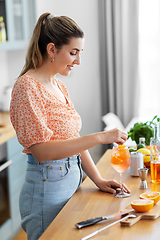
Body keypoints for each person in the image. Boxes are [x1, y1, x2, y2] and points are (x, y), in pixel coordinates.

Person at [10, 12, 130, 240]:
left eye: (79, 53)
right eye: (73, 53)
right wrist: (99, 137)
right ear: (52, 49)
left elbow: (72, 138)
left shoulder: (58, 85)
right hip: (46, 188)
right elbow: (41, 151)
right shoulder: (27, 87)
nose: (78, 61)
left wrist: (98, 179)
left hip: (70, 180)